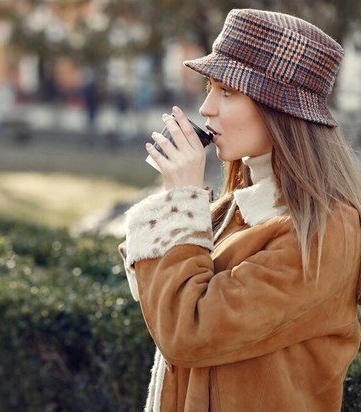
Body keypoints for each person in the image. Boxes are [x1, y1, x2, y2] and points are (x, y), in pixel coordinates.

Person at [119, 9, 361, 411]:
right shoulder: (235, 208)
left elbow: (188, 333)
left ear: (279, 110)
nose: (207, 108)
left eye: (228, 91)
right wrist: (184, 208)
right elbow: (160, 305)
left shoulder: (324, 232)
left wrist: (182, 203)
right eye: (210, 88)